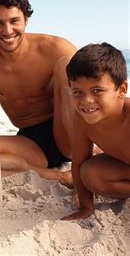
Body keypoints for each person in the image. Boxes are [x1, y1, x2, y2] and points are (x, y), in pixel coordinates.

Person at [0, 0, 77, 184]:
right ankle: (60, 176)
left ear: (25, 20)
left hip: (68, 132)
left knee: (66, 64)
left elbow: (94, 91)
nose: (7, 31)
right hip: (33, 142)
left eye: (14, 21)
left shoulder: (55, 48)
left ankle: (84, 160)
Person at [61, 43, 130, 220]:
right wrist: (85, 207)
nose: (86, 101)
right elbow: (78, 163)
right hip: (123, 168)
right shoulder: (83, 119)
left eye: (97, 90)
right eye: (78, 92)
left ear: (121, 90)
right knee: (89, 173)